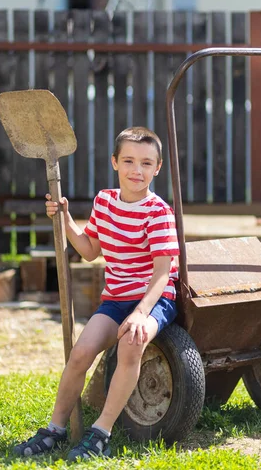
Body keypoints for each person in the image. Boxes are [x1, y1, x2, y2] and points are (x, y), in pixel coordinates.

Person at [14, 126, 180, 462]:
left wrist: (141, 313)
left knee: (131, 341)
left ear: (157, 168)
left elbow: (163, 274)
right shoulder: (104, 202)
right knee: (80, 354)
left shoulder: (158, 212)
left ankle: (100, 433)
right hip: (117, 299)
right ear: (115, 162)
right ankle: (55, 429)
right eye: (130, 161)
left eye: (147, 164)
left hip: (154, 299)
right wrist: (65, 221)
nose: (138, 170)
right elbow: (90, 250)